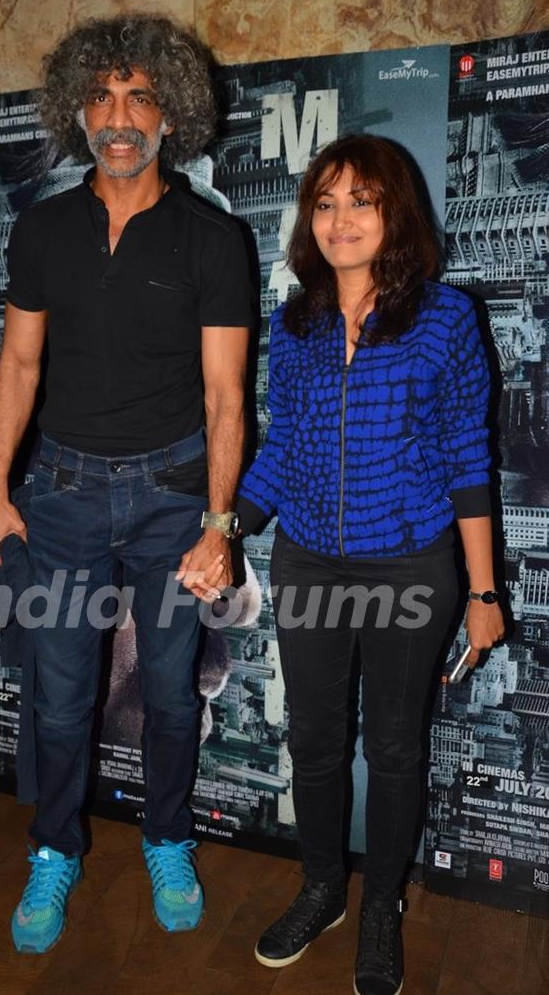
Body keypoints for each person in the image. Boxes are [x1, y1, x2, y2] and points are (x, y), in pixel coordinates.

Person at [0, 14, 253, 953]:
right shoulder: (42, 228)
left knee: (173, 695)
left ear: (171, 113)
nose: (119, 116)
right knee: (57, 696)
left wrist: (219, 524)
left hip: (175, 500)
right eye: (101, 97)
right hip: (59, 498)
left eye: (138, 97)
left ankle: (168, 839)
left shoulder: (215, 241)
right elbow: (15, 368)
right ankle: (54, 851)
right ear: (77, 113)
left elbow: (224, 398)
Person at [236, 134, 504, 995]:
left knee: (393, 747)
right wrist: (224, 525)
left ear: (395, 214)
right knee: (313, 743)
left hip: (411, 568)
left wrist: (485, 592)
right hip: (309, 562)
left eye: (361, 200)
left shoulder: (446, 318)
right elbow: (285, 450)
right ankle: (323, 888)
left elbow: (469, 459)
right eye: (325, 202)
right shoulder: (297, 321)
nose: (341, 219)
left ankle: (381, 906)